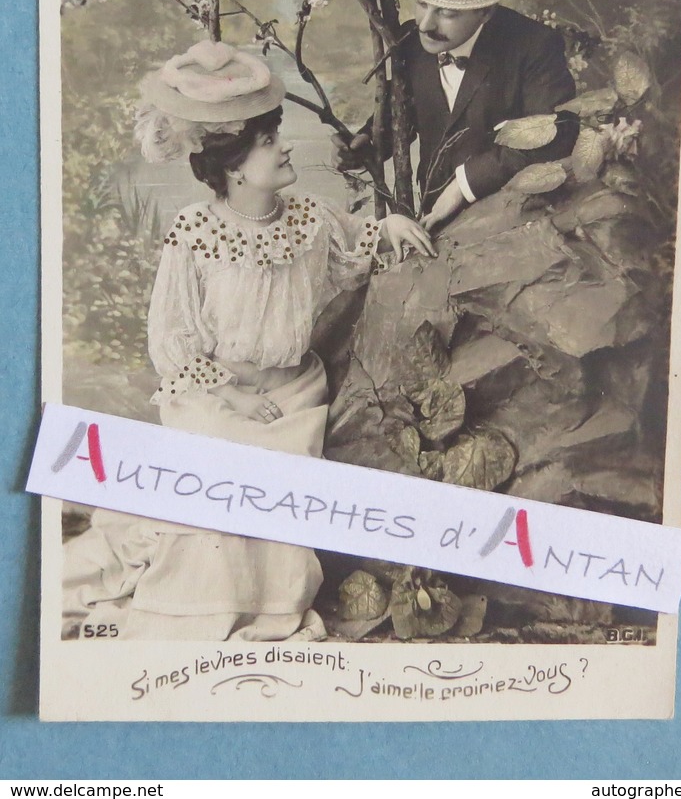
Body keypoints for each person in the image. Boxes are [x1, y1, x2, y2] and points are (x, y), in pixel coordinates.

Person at [63, 39, 433, 642]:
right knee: (218, 473)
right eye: (268, 142)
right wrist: (230, 397)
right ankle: (195, 606)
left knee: (275, 480)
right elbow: (172, 338)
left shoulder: (310, 218)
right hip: (214, 396)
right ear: (234, 165)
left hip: (294, 396)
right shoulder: (196, 230)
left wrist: (389, 224)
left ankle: (271, 607)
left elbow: (357, 244)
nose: (283, 148)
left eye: (275, 136)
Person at [333, 0, 579, 231]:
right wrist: (364, 145)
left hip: (508, 220)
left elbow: (555, 135)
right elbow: (402, 117)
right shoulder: (411, 43)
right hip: (429, 217)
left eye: (446, 13)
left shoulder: (534, 46)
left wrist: (463, 185)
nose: (425, 25)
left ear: (486, 11)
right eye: (422, 4)